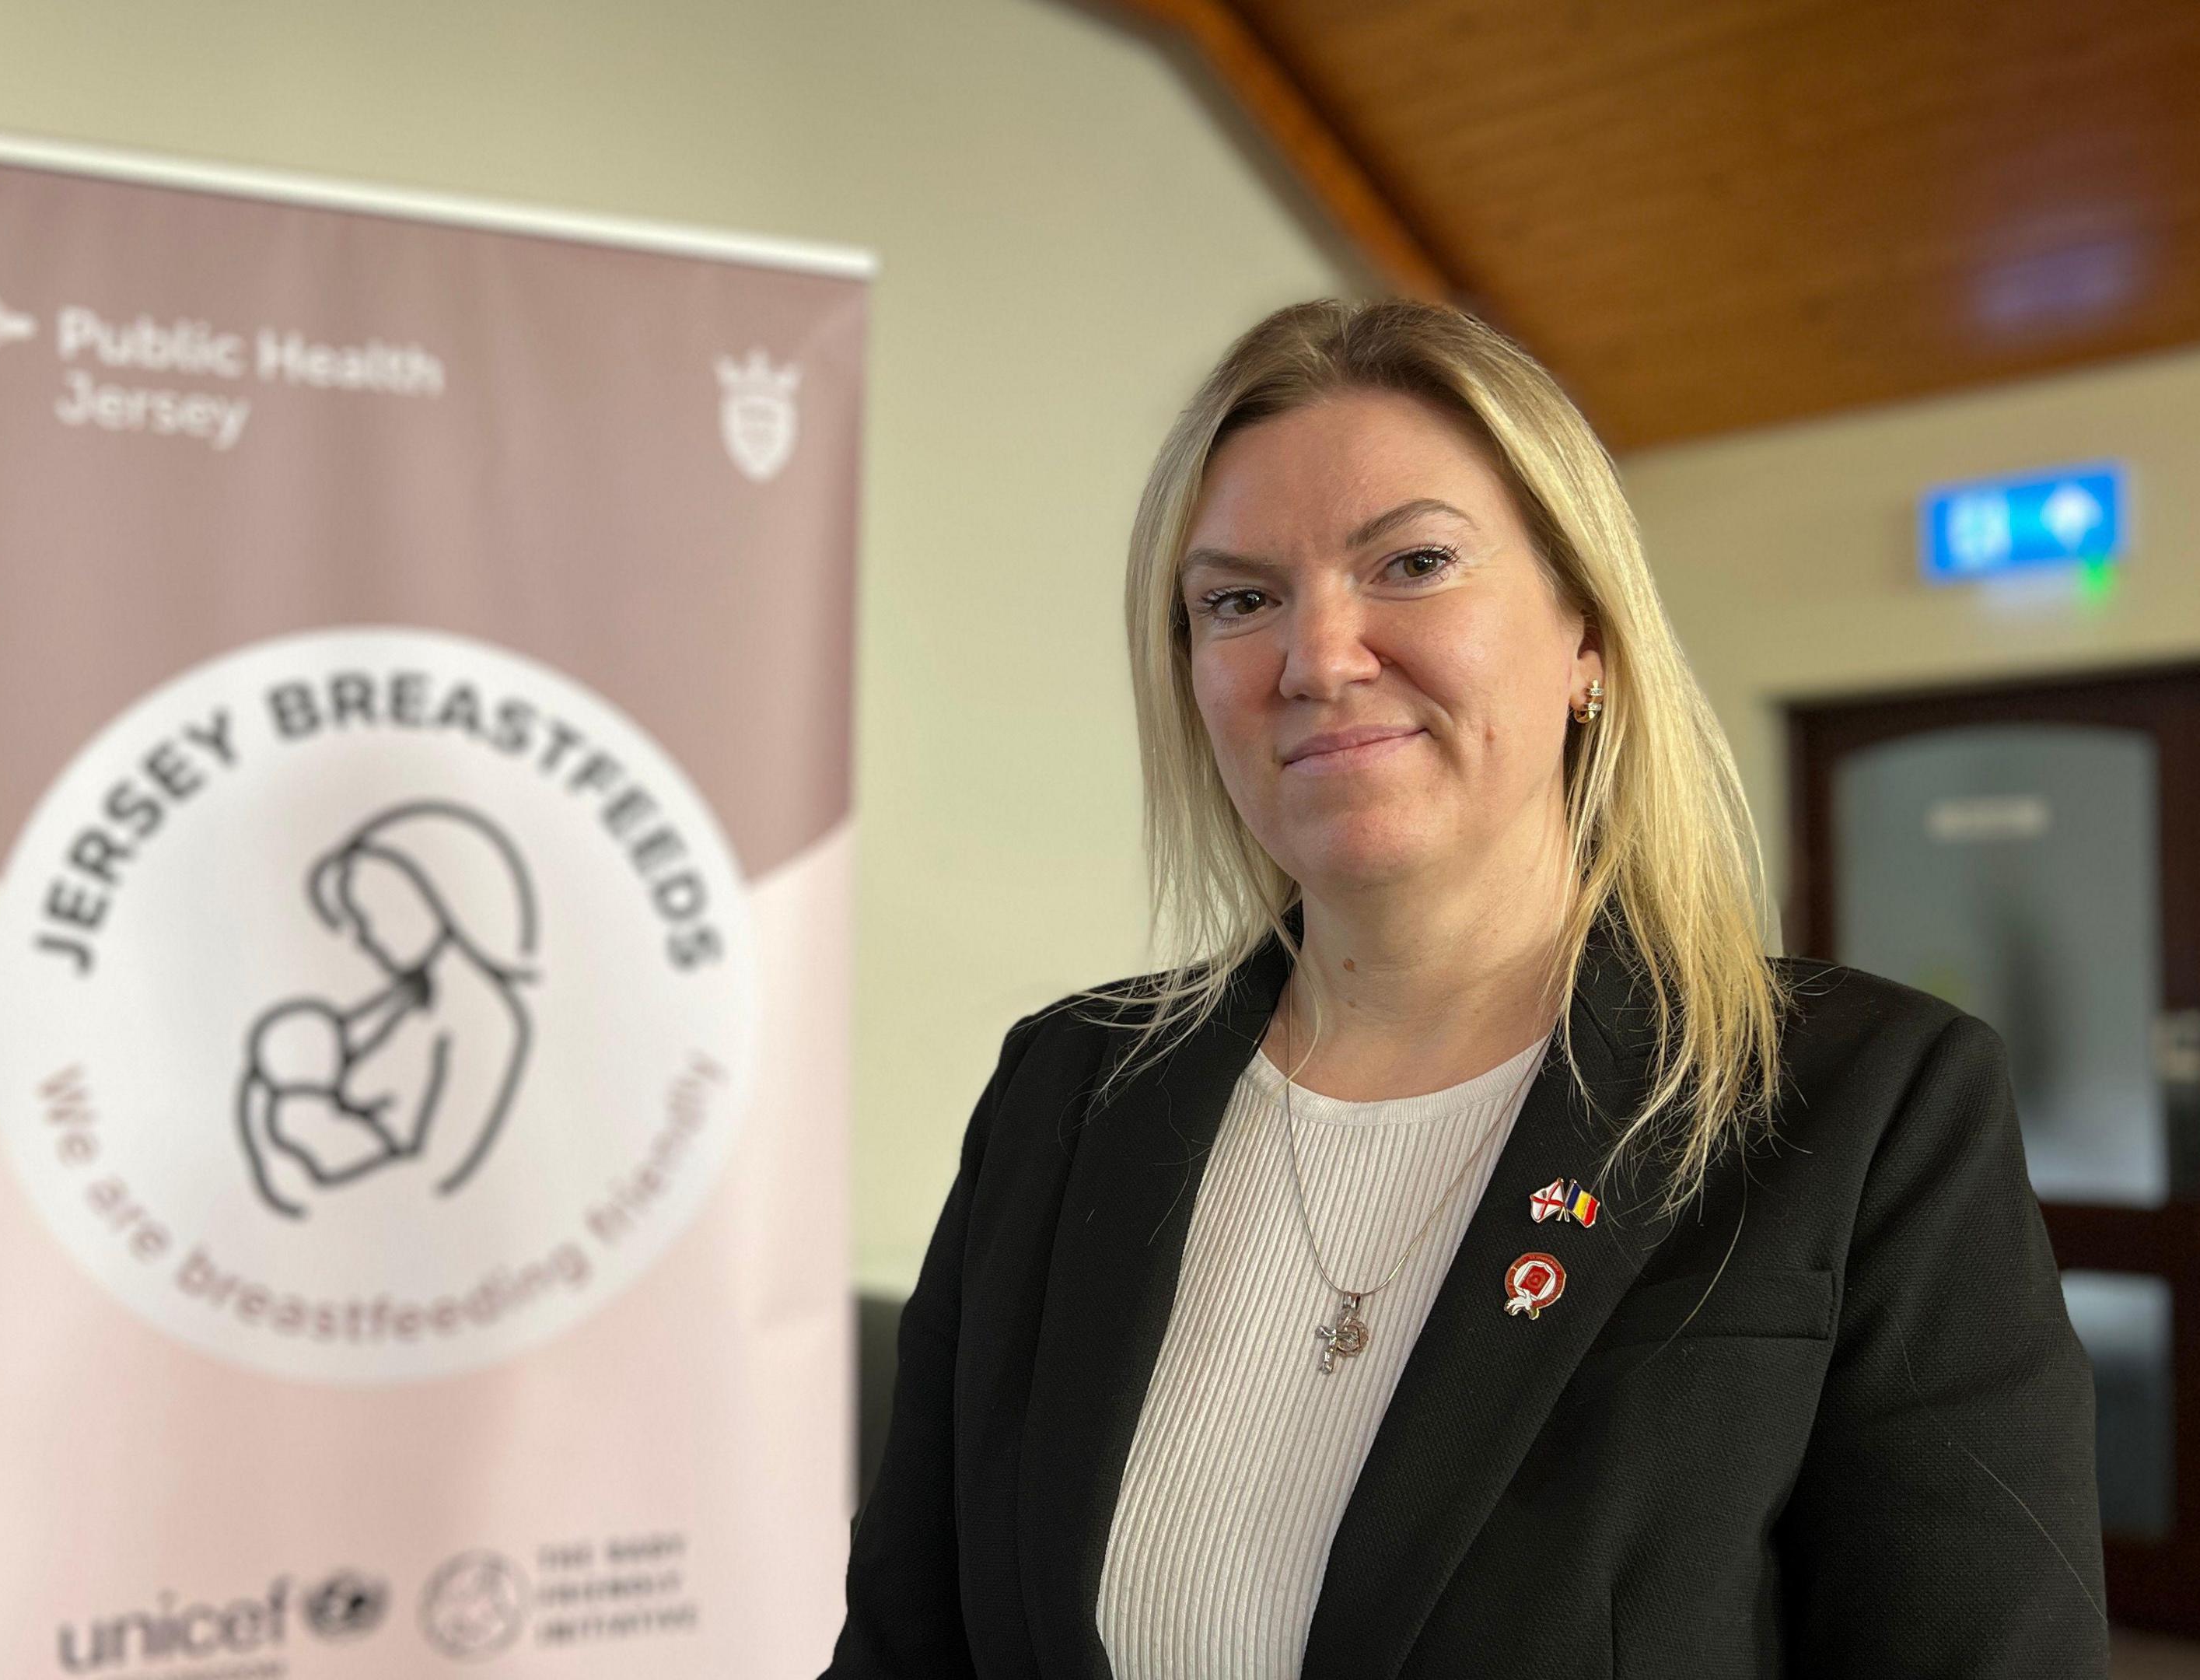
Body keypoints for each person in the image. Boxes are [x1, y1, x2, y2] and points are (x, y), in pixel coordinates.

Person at [820, 299, 2104, 1678]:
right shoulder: (1068, 1090)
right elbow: (908, 1648)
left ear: (1588, 642)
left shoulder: (1860, 1109)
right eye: (1238, 601)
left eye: (1414, 563)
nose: (1316, 659)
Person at [238, 801, 539, 1215]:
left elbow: (437, 1178)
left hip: (367, 1218)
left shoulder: (486, 1023)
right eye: (358, 919)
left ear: (436, 896)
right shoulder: (401, 1000)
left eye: (375, 912)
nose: (366, 936)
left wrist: (308, 1199)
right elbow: (287, 1059)